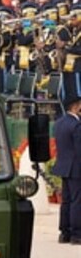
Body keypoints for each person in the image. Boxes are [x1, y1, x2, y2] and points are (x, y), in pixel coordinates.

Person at [52, 95, 81, 244]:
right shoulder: (76, 125)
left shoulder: (59, 123)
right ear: (75, 106)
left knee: (66, 201)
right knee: (77, 201)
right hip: (76, 167)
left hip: (64, 166)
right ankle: (77, 234)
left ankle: (65, 232)